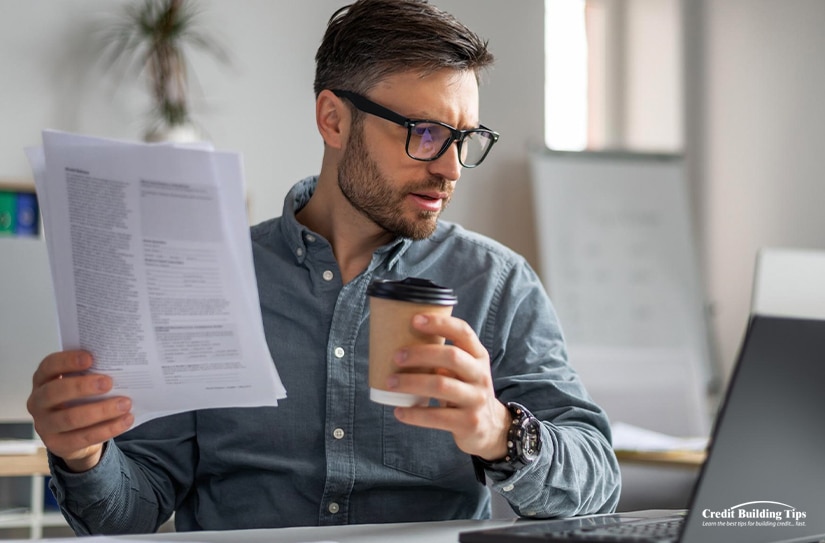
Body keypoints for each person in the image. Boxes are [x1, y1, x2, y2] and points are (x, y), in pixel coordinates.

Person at [27, 0, 620, 534]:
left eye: (464, 139)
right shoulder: (205, 274)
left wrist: (498, 432)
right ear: (334, 119)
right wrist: (85, 456)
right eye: (426, 133)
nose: (452, 169)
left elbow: (598, 487)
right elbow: (131, 510)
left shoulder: (496, 285)